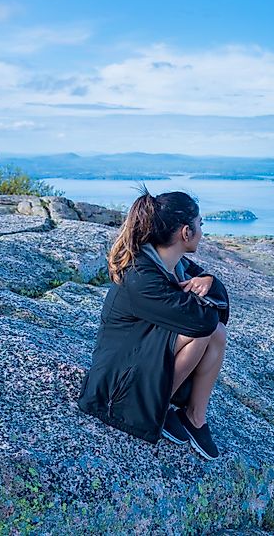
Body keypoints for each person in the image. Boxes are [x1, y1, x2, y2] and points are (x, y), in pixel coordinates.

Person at [77, 186, 229, 460]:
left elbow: (215, 314)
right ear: (185, 232)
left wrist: (210, 281)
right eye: (199, 225)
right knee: (202, 333)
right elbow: (201, 320)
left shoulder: (174, 263)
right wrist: (209, 293)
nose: (202, 232)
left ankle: (194, 417)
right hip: (115, 386)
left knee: (217, 333)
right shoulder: (141, 275)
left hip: (142, 353)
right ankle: (153, 407)